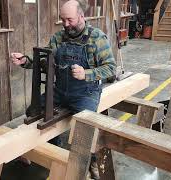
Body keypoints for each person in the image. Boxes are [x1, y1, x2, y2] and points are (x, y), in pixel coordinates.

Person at [11, 0, 116, 179]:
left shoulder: (97, 38)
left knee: (86, 128)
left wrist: (87, 73)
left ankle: (91, 162)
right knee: (33, 112)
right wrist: (26, 61)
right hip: (60, 91)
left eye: (70, 20)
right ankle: (54, 151)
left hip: (85, 92)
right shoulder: (58, 38)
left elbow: (111, 68)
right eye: (63, 20)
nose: (66, 25)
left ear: (82, 16)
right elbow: (46, 63)